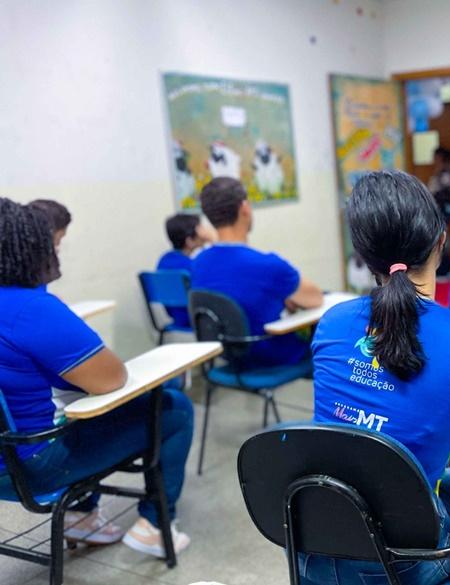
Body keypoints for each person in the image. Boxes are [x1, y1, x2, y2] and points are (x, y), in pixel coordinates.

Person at [307, 170, 450, 584]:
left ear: (364, 255)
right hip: (398, 563)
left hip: (316, 546)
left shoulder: (331, 324)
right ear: (440, 244)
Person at [0, 198, 193, 556]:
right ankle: (153, 525)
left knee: (74, 406)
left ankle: (82, 518)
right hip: (31, 467)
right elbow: (110, 378)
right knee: (172, 406)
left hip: (5, 462)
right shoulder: (29, 308)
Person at [192, 177, 324, 368]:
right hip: (271, 356)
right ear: (244, 208)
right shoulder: (268, 265)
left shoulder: (198, 262)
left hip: (228, 357)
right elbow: (316, 298)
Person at [156, 213, 214, 330]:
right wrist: (213, 240)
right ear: (190, 241)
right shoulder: (192, 266)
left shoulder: (164, 260)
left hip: (176, 319)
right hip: (196, 319)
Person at [428, 147, 450, 276]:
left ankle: (444, 267)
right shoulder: (439, 173)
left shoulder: (445, 174)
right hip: (437, 211)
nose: (434, 161)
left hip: (443, 212)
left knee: (443, 240)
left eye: (436, 158)